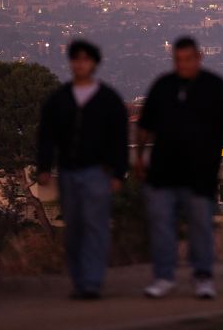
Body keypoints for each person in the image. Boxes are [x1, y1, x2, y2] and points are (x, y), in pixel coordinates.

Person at [135, 36, 223, 299]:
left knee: (200, 226)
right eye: (178, 60)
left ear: (199, 57)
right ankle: (164, 277)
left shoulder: (215, 87)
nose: (183, 65)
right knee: (162, 225)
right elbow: (145, 126)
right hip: (163, 172)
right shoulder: (163, 86)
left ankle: (203, 276)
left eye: (188, 59)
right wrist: (139, 157)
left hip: (200, 174)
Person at [37, 40, 129, 300]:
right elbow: (46, 135)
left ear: (94, 64)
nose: (81, 64)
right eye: (76, 59)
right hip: (68, 172)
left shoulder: (108, 100)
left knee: (96, 226)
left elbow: (119, 138)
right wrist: (44, 166)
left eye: (86, 60)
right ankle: (80, 280)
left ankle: (92, 282)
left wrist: (118, 173)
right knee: (74, 228)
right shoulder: (59, 99)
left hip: (98, 173)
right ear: (71, 63)